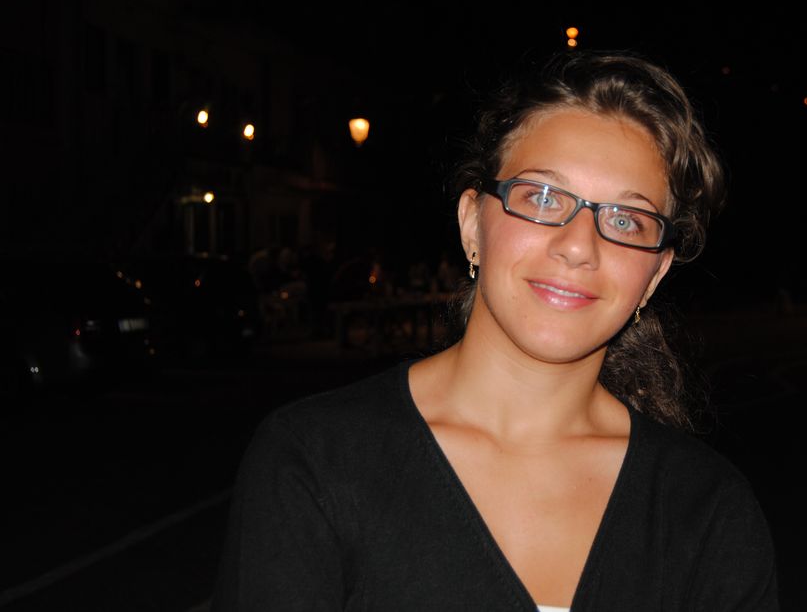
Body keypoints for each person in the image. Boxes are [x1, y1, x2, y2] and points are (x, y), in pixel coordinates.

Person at [212, 51, 778, 611]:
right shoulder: (315, 461)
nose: (579, 246)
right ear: (471, 223)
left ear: (654, 274)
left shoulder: (706, 510)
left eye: (626, 220)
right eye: (543, 197)